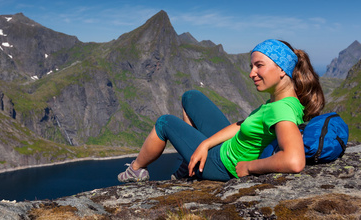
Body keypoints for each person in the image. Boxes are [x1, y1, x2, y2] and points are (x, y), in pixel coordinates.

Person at [118, 39, 325, 182]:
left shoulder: (281, 110)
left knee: (164, 122)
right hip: (225, 150)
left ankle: (135, 170)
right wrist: (205, 144)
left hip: (222, 166)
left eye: (259, 65)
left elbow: (294, 161)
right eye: (252, 66)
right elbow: (242, 125)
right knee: (191, 97)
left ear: (281, 69)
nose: (252, 73)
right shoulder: (285, 101)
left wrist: (249, 167)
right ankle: (188, 162)